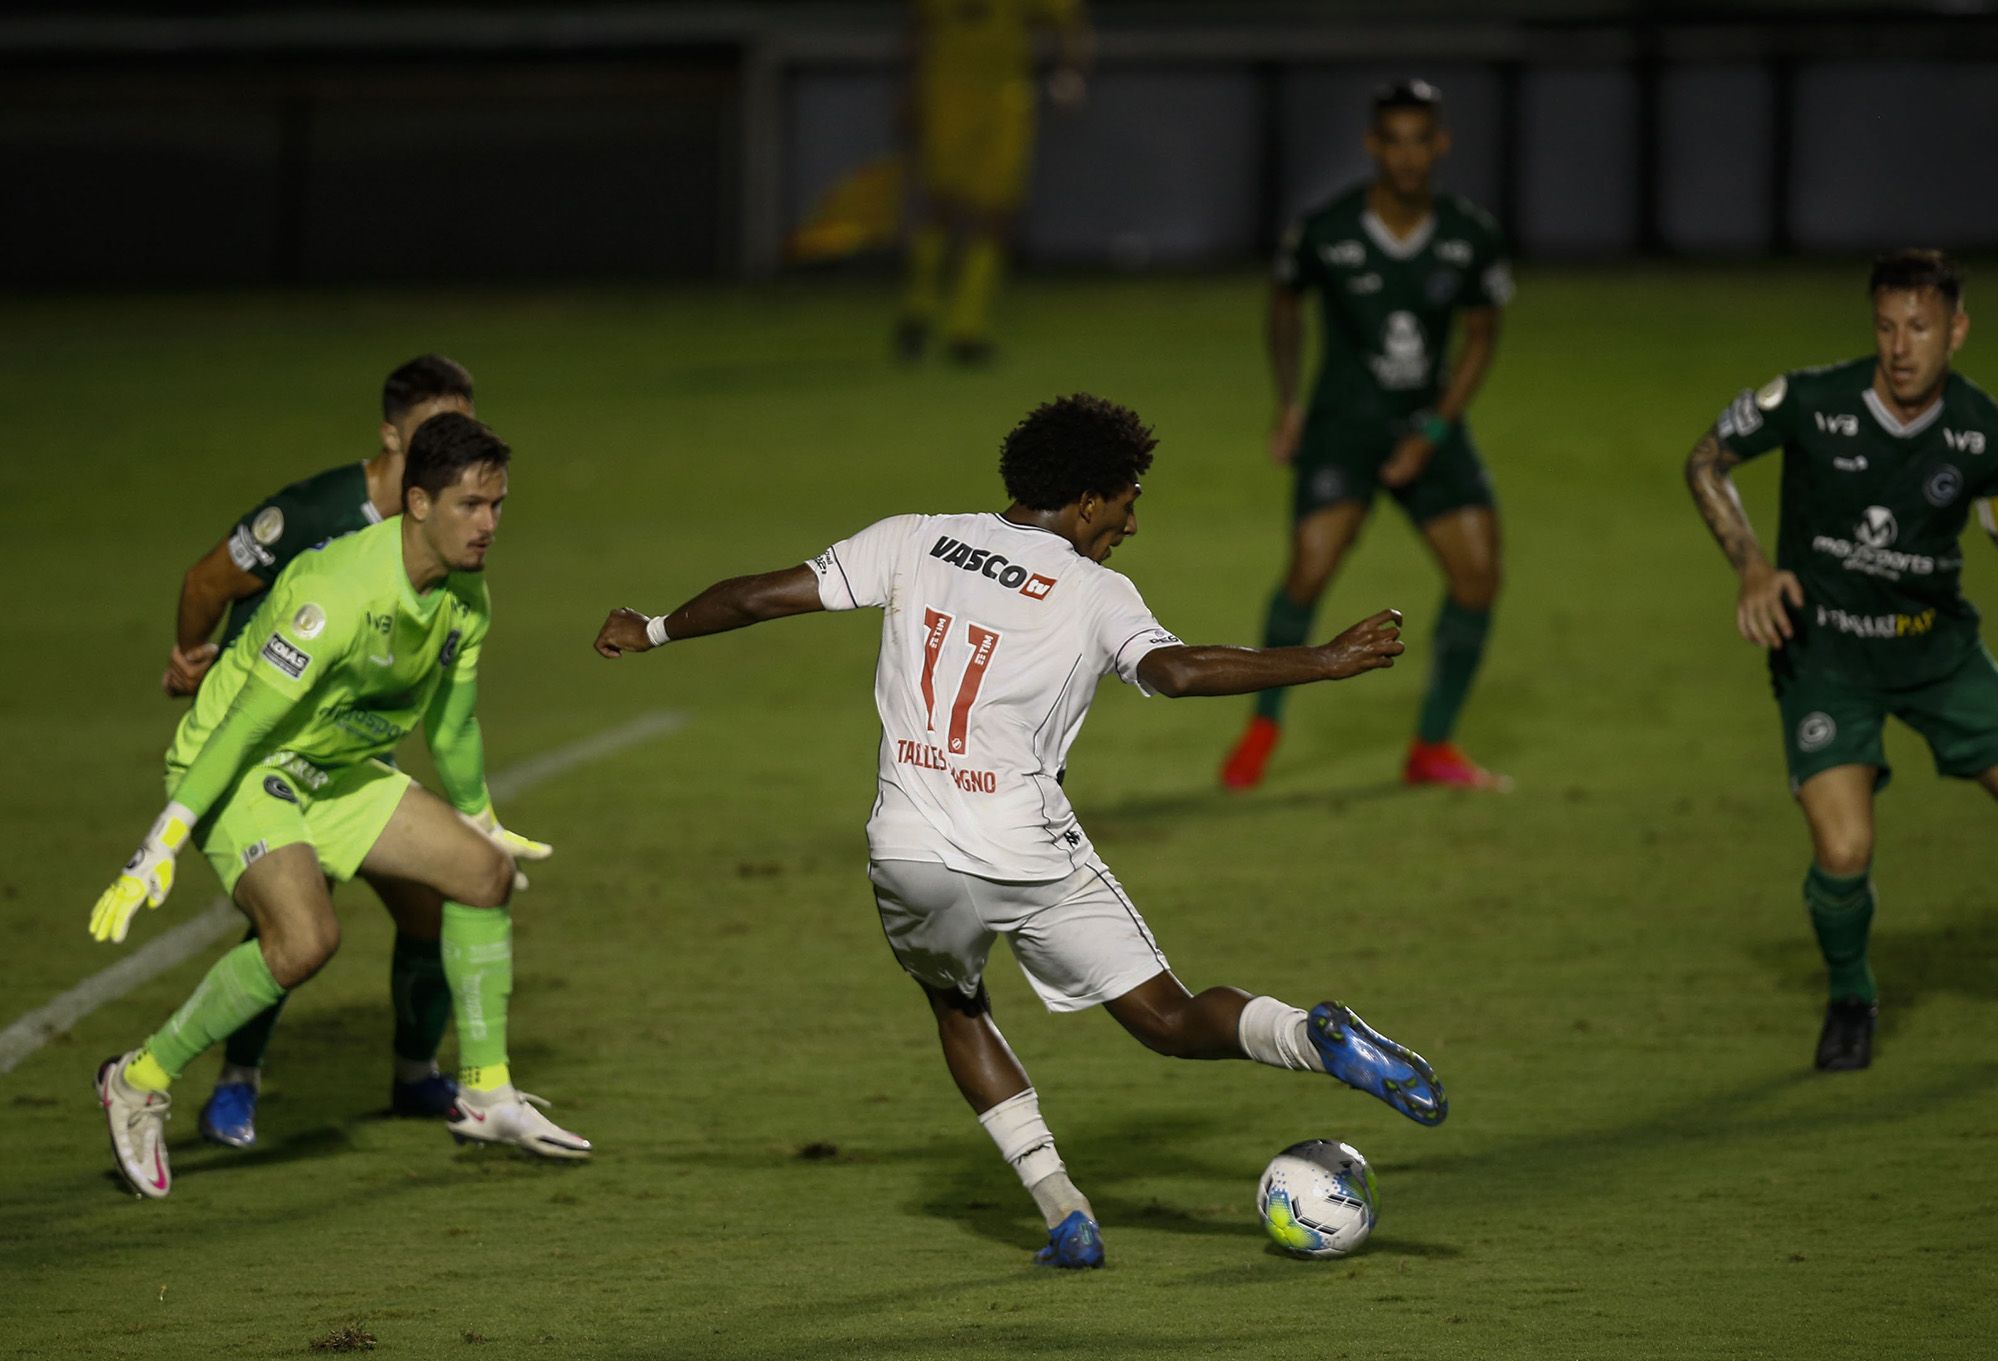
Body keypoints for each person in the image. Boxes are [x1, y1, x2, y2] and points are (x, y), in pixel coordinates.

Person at [595, 393, 1444, 1268]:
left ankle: (1065, 1214)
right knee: (1164, 1017)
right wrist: (1324, 660)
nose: (1132, 523)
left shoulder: (913, 537)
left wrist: (654, 629)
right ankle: (1310, 1037)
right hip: (1025, 846)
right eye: (1127, 499)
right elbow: (1177, 672)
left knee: (957, 1006)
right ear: (1084, 503)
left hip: (910, 849)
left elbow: (760, 597)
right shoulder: (1091, 589)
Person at [1683, 248, 1998, 1071]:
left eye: (1921, 327)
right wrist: (1753, 565)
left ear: (1957, 330)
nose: (1901, 347)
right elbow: (1706, 462)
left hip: (1940, 658)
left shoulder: (1986, 432)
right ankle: (1852, 995)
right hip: (1825, 659)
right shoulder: (1810, 400)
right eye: (1886, 326)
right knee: (1843, 852)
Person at [90, 414, 586, 1201]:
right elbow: (244, 722)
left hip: (337, 768)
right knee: (305, 940)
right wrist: (161, 842)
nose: (488, 524)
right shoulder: (338, 594)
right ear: (417, 503)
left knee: (482, 874)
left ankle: (487, 1094)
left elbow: (452, 724)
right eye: (470, 505)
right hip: (247, 769)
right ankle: (139, 1079)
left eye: (497, 506)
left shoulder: (465, 598)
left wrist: (482, 817)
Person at [160, 355, 548, 1147]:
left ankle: (416, 1076)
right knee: (297, 922)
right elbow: (207, 580)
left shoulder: (452, 537)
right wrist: (189, 655)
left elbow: (451, 709)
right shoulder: (317, 515)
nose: (453, 441)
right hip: (266, 748)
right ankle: (235, 1080)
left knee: (435, 897)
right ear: (391, 436)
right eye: (435, 429)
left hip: (352, 752)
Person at [1221, 79, 1513, 792]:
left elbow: (1481, 336)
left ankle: (1431, 748)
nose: (1409, 156)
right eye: (1395, 141)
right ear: (1373, 145)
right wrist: (1288, 404)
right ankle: (1263, 724)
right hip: (1342, 427)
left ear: (1439, 144)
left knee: (1479, 576)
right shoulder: (1327, 231)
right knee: (1309, 572)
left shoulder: (1470, 234)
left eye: (1422, 140)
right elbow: (1284, 305)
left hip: (1428, 429)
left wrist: (1436, 427)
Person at [894, 0, 1093, 364]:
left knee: (993, 215)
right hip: (949, 90)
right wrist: (908, 90)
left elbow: (1070, 24)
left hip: (1001, 97)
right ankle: (922, 312)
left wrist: (1070, 70)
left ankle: (963, 327)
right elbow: (918, 28)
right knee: (943, 206)